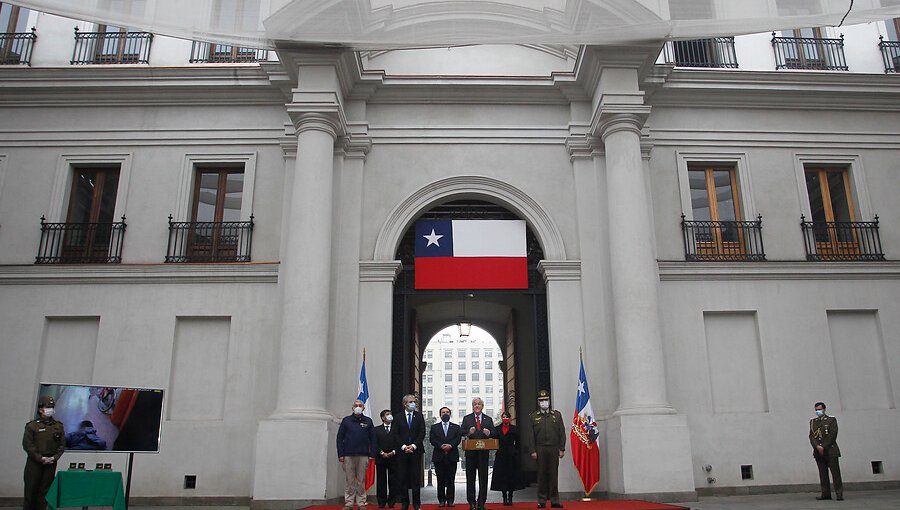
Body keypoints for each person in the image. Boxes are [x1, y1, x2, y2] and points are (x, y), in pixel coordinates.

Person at [523, 390, 566, 509]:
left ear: (549, 401)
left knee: (553, 474)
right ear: (538, 402)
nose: (544, 402)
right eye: (541, 400)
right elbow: (531, 435)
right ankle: (541, 500)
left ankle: (554, 500)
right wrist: (532, 450)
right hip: (540, 448)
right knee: (541, 474)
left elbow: (561, 432)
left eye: (546, 400)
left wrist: (562, 448)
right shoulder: (533, 416)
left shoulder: (556, 415)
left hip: (553, 448)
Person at [23, 395, 65, 510]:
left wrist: (54, 458)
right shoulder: (32, 426)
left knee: (44, 493)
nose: (50, 409)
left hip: (50, 463)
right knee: (30, 492)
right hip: (35, 463)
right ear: (41, 409)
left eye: (52, 406)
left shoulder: (58, 426)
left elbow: (62, 445)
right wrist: (40, 458)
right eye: (48, 407)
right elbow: (28, 445)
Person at [337, 399, 377, 510]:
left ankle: (361, 503)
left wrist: (372, 454)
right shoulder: (346, 421)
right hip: (348, 455)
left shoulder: (368, 421)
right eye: (356, 405)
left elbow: (373, 439)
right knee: (350, 480)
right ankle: (349, 503)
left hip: (363, 455)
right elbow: (340, 438)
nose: (358, 407)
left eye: (360, 405)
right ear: (352, 408)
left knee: (361, 480)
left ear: (364, 408)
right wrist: (340, 454)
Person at [460, 397, 495, 510]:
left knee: (483, 478)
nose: (477, 406)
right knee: (470, 478)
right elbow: (461, 431)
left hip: (483, 454)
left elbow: (495, 433)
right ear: (472, 406)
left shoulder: (488, 419)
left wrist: (489, 433)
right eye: (475, 404)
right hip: (470, 454)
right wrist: (468, 432)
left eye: (479, 404)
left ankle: (481, 502)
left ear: (482, 406)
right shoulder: (467, 418)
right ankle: (471, 502)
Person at [396, 394, 425, 510]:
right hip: (402, 452)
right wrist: (404, 447)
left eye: (414, 401)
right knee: (402, 478)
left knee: (415, 478)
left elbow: (422, 433)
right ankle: (405, 503)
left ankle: (417, 503)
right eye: (410, 402)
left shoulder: (419, 416)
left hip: (415, 451)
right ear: (405, 404)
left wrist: (413, 446)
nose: (413, 403)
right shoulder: (398, 417)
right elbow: (395, 434)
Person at [809, 401, 842, 501]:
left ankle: (839, 494)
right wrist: (817, 446)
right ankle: (825, 494)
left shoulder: (831, 420)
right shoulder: (813, 422)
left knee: (835, 474)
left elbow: (833, 435)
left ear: (824, 409)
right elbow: (811, 436)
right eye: (816, 410)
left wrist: (823, 446)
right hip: (819, 452)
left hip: (830, 450)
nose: (818, 411)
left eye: (819, 409)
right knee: (823, 474)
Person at [430, 407, 462, 507]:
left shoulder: (456, 427)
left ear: (450, 414)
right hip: (439, 456)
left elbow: (458, 439)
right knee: (440, 480)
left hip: (452, 456)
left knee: (451, 480)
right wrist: (441, 446)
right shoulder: (434, 427)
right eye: (443, 412)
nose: (445, 414)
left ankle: (450, 500)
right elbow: (432, 439)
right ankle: (441, 500)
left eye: (447, 412)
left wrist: (450, 446)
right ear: (440, 415)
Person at [490, 412, 521, 506]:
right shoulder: (497, 429)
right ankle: (504, 496)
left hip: (511, 455)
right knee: (502, 476)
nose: (505, 418)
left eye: (507, 417)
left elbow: (519, 442)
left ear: (510, 418)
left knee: (511, 476)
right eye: (503, 417)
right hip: (501, 455)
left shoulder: (514, 429)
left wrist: (515, 451)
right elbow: (493, 439)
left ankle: (510, 496)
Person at [375, 409, 400, 508]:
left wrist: (393, 452)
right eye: (387, 414)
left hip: (393, 458)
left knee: (393, 480)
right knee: (381, 480)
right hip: (381, 458)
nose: (390, 416)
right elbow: (374, 443)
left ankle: (392, 501)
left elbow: (399, 442)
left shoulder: (396, 429)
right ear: (382, 418)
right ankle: (381, 501)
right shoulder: (376, 429)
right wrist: (381, 453)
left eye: (390, 414)